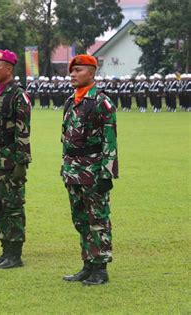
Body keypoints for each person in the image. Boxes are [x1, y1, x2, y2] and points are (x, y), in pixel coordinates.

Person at [61, 54, 118, 285]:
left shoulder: (101, 102)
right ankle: (87, 264)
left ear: (92, 73)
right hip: (73, 170)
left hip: (93, 170)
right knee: (81, 220)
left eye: (79, 70)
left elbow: (110, 140)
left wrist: (107, 173)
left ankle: (101, 269)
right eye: (72, 71)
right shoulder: (71, 101)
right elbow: (66, 139)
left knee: (98, 219)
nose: (73, 75)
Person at [0, 49, 31, 269]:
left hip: (10, 159)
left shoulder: (17, 96)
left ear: (9, 69)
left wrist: (21, 163)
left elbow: (23, 131)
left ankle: (15, 254)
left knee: (12, 206)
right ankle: (4, 249)